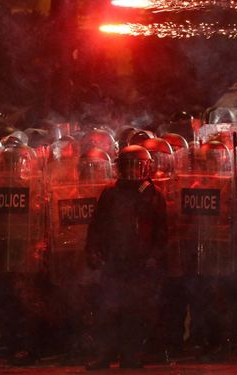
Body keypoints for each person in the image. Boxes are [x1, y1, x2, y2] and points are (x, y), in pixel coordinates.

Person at [84, 145, 168, 370]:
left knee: (135, 312)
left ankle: (130, 355)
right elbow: (97, 226)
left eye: (136, 166)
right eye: (127, 166)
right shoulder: (110, 193)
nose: (132, 172)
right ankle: (104, 355)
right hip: (114, 261)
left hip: (139, 264)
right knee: (107, 311)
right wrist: (93, 251)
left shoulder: (153, 194)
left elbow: (162, 231)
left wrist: (154, 257)